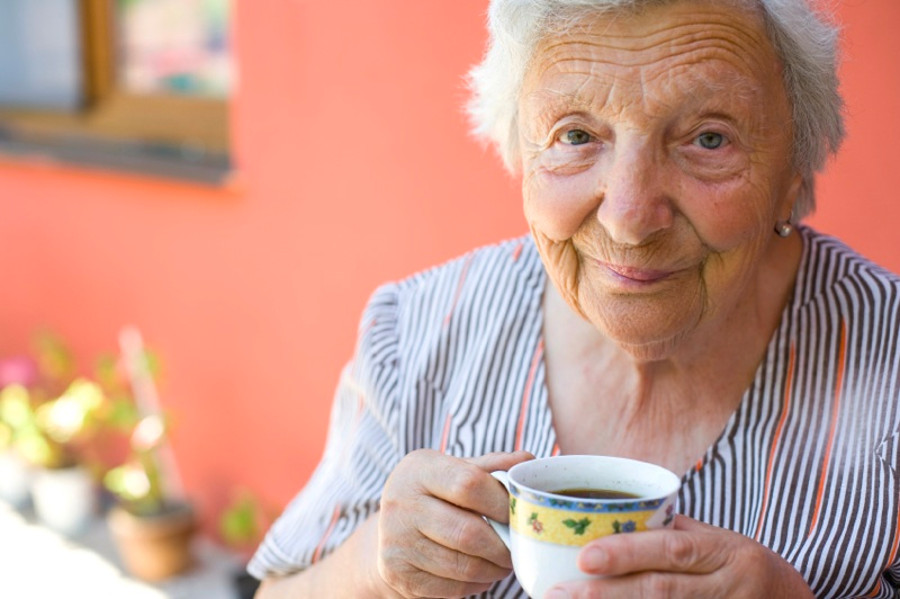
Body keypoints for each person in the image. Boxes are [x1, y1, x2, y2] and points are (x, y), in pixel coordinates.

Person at [249, 0, 900, 596]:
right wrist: (374, 567)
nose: (629, 216)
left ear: (794, 172)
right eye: (576, 135)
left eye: (708, 137)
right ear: (519, 155)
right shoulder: (416, 331)